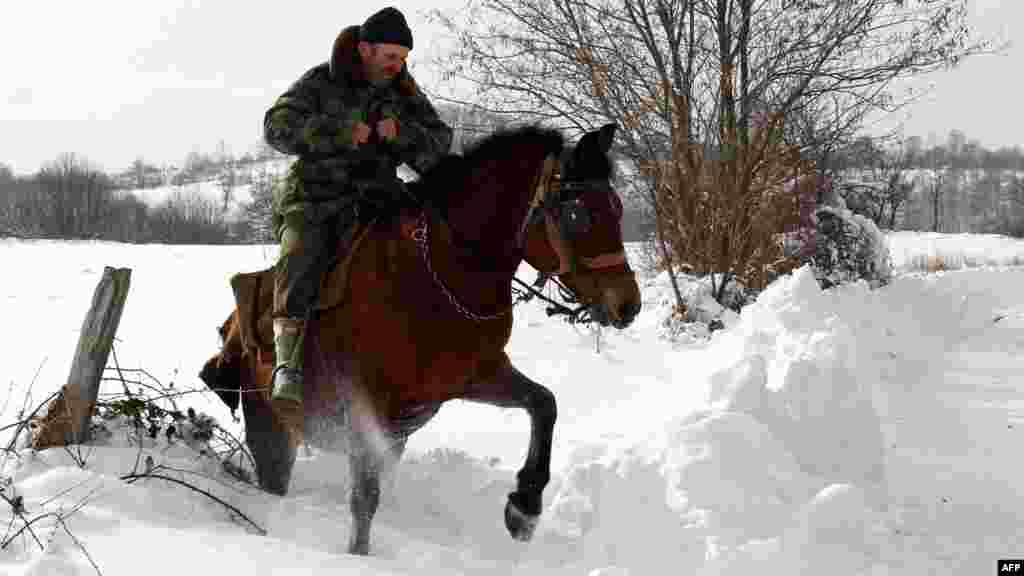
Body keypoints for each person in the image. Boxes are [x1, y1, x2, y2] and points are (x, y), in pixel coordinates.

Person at [262, 6, 453, 410]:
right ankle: (287, 365)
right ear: (365, 49)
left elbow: (438, 145)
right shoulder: (321, 81)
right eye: (390, 56)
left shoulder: (404, 90)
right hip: (315, 198)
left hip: (379, 198)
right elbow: (276, 127)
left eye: (402, 58)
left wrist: (403, 134)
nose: (397, 65)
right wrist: (340, 132)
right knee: (301, 257)